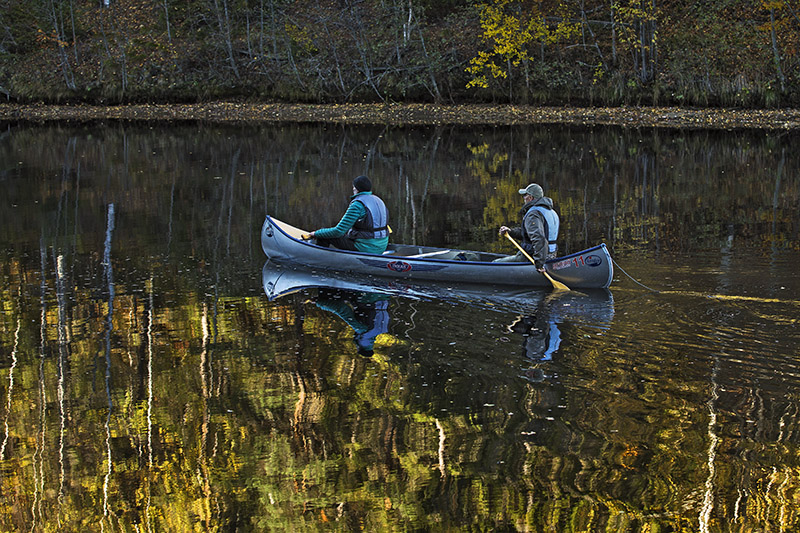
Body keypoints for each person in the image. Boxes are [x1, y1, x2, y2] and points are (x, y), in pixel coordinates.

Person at [303, 175, 389, 254]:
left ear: (356, 189)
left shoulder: (358, 204)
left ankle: (319, 260)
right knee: (346, 233)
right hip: (382, 246)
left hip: (366, 248)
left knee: (324, 235)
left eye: (353, 187)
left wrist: (316, 233)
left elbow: (338, 231)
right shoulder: (379, 200)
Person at [494, 183, 559, 269]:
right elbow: (529, 234)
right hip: (552, 255)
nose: (524, 198)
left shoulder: (533, 214)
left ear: (530, 198)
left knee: (495, 263)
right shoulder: (551, 212)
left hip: (532, 257)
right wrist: (511, 232)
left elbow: (538, 238)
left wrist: (539, 264)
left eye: (525, 195)